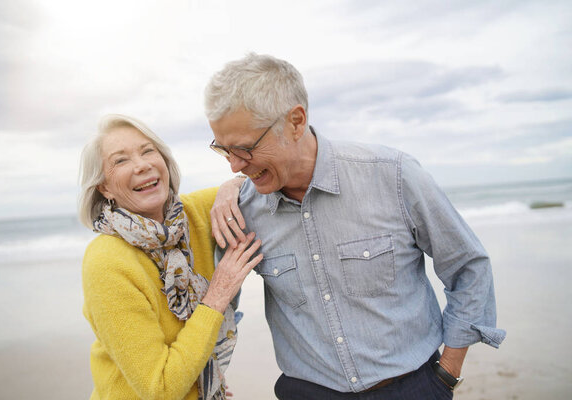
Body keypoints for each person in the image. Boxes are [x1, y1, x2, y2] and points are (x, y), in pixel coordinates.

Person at [204, 53, 506, 399]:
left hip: (414, 388)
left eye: (244, 148)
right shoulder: (239, 211)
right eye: (222, 149)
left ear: (296, 121)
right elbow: (219, 317)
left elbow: (468, 267)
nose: (233, 166)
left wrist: (447, 375)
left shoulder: (393, 175)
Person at [78, 114, 262, 400]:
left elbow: (257, 187)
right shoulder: (106, 262)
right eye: (120, 161)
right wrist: (217, 295)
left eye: (148, 151)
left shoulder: (193, 212)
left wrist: (232, 186)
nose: (142, 165)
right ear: (104, 187)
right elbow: (160, 389)